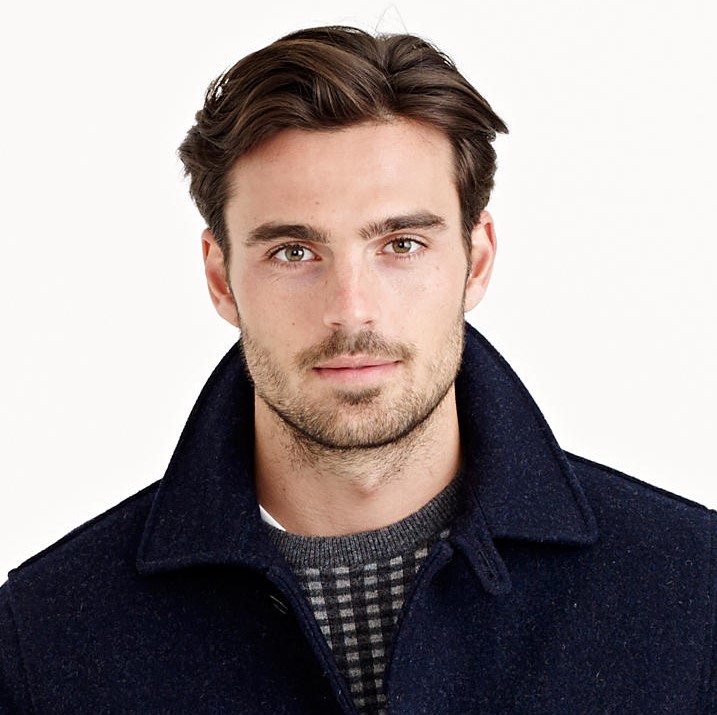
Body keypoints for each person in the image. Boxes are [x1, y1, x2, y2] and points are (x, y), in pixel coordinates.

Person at [0, 24, 714, 714]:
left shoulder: (693, 594)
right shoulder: (45, 639)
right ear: (220, 277)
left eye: (401, 245)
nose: (350, 310)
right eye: (293, 252)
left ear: (477, 260)